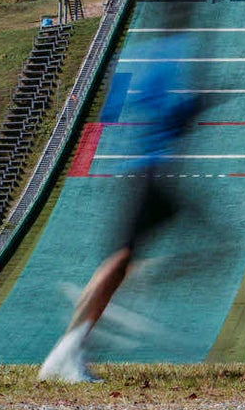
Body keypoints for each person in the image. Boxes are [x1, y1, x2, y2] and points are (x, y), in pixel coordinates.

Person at [39, 29, 203, 384]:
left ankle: (70, 350)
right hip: (145, 170)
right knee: (119, 260)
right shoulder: (163, 53)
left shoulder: (156, 51)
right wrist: (189, 108)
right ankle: (67, 352)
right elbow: (152, 110)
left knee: (122, 260)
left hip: (152, 173)